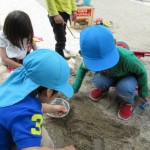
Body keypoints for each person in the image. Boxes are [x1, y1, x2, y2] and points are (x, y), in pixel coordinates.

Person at [0, 49, 75, 150]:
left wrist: (52, 108)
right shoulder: (28, 114)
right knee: (43, 140)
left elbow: (23, 105)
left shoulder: (16, 81)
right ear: (49, 92)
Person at [72, 25, 150, 120]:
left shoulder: (127, 58)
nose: (103, 64)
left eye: (106, 60)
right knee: (98, 81)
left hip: (127, 77)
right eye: (97, 62)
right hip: (109, 76)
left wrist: (144, 92)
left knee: (124, 88)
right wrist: (75, 88)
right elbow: (82, 68)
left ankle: (128, 102)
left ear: (115, 44)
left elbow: (142, 73)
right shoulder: (90, 57)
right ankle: (103, 90)